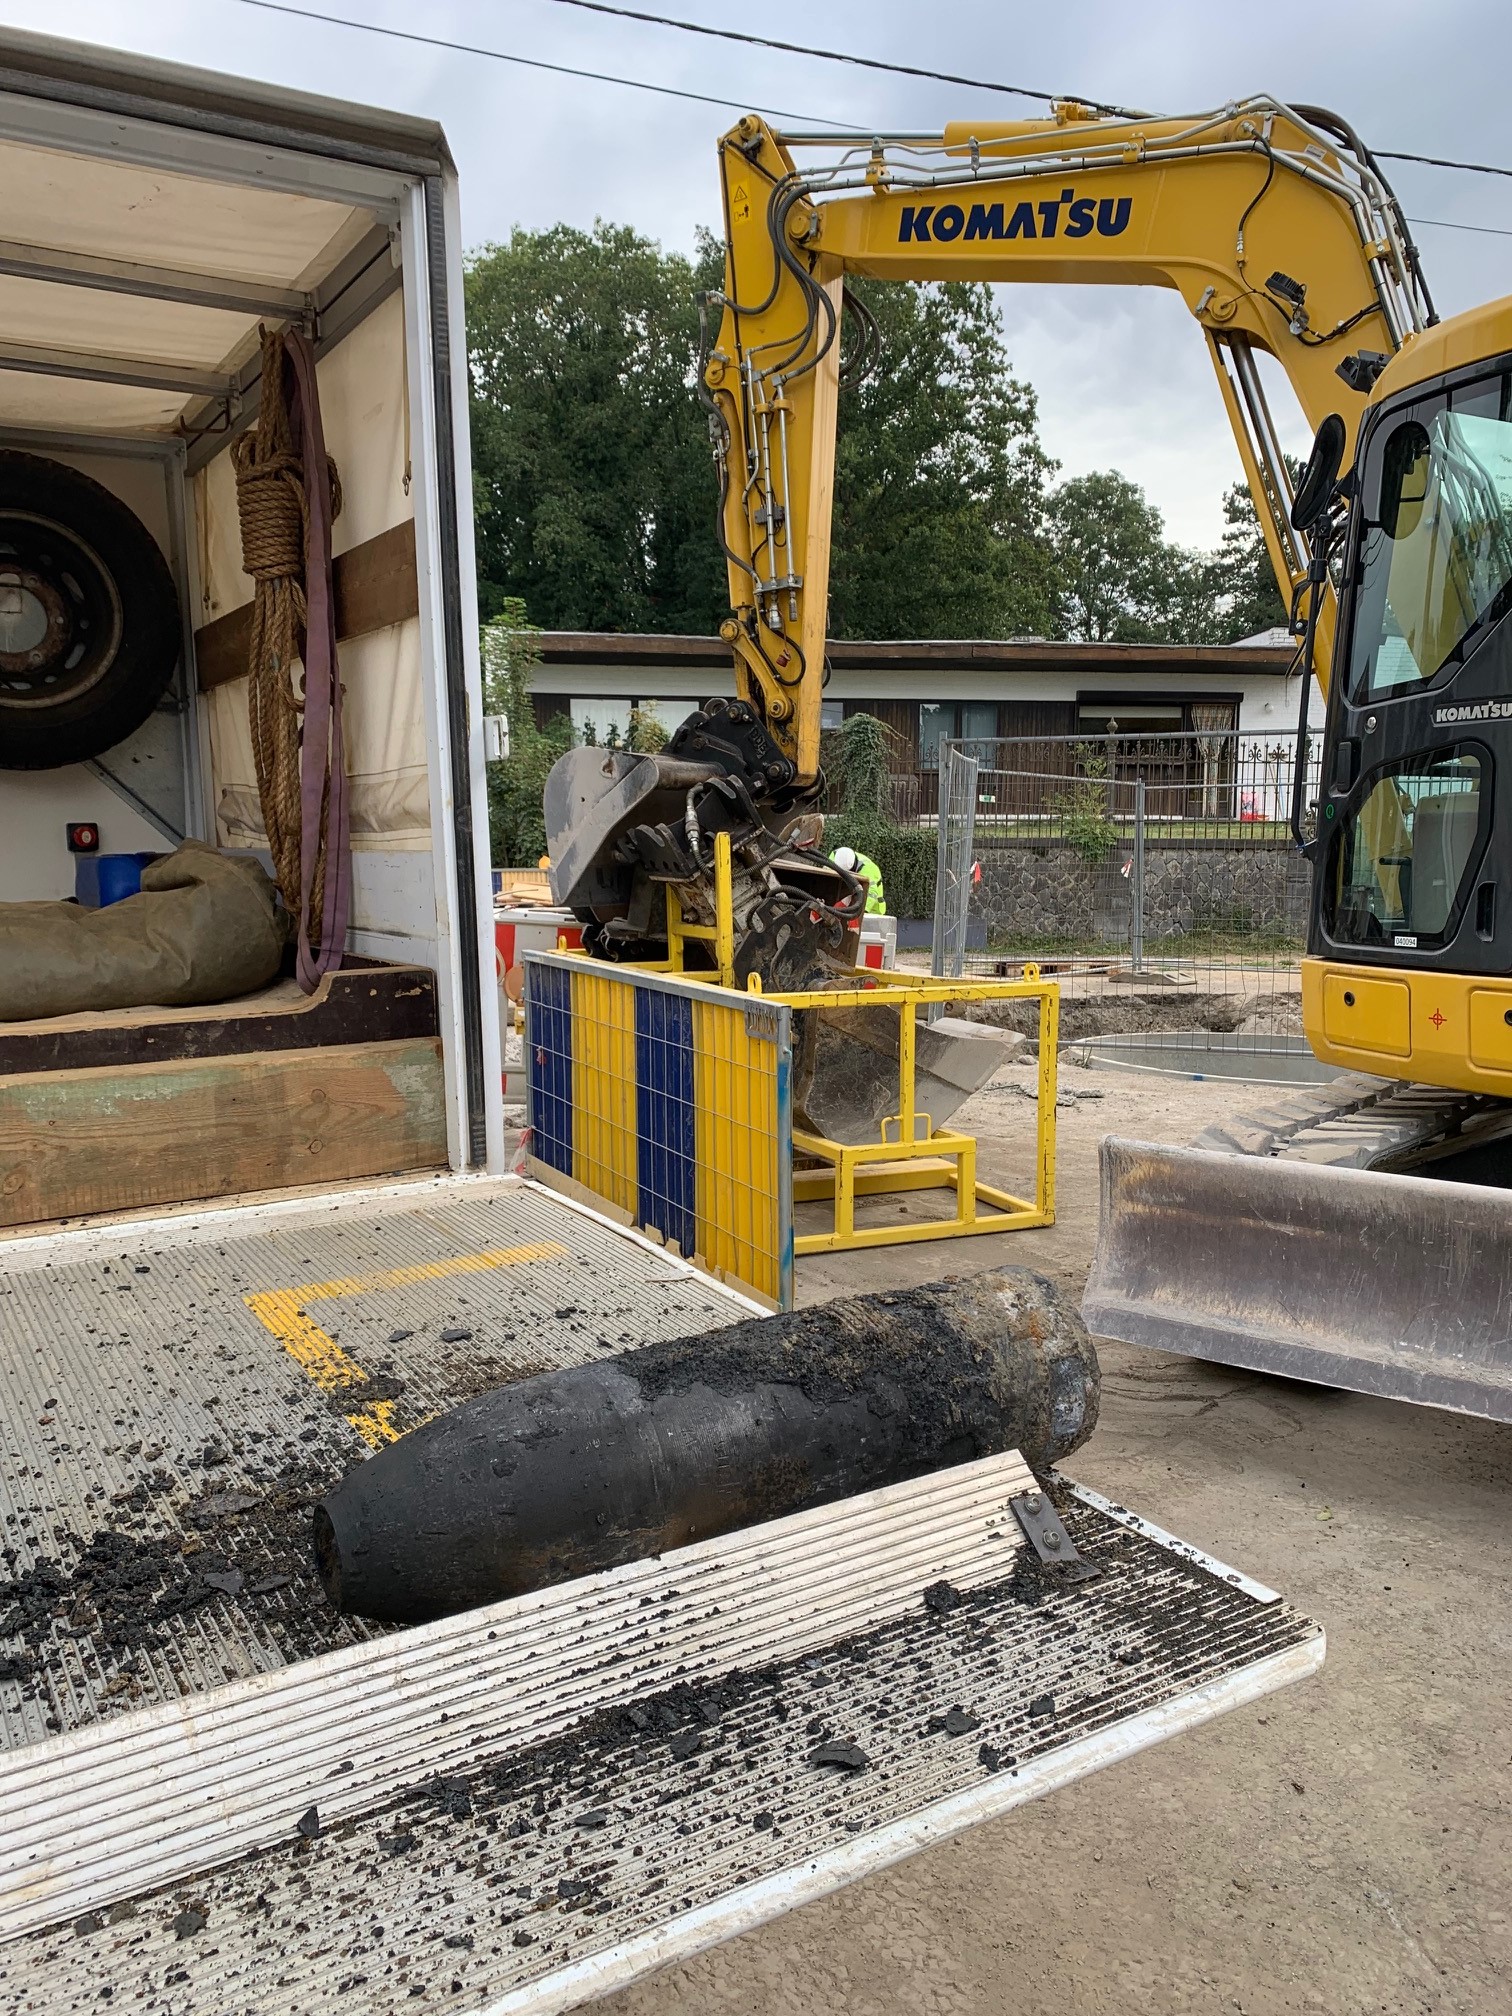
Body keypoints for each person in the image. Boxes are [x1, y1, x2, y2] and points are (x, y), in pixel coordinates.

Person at [830, 843, 887, 915]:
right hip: (849, 904)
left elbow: (872, 893)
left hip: (872, 910)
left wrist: (863, 911)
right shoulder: (835, 856)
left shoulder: (867, 869)